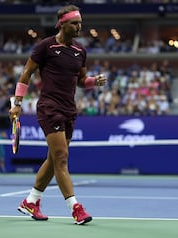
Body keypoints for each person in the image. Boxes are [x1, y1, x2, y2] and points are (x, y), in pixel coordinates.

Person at [8, 4, 106, 225]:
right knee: (61, 158)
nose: (79, 26)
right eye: (75, 23)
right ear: (62, 23)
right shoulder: (46, 46)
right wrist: (17, 103)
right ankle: (76, 208)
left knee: (54, 159)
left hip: (69, 109)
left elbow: (81, 81)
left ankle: (31, 201)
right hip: (49, 108)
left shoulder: (81, 51)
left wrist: (93, 82)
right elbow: (26, 73)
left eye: (80, 22)